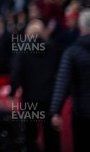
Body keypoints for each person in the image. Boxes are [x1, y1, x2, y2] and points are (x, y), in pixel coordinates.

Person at [9, 19, 61, 152]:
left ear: (28, 34)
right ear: (43, 32)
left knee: (30, 135)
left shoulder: (22, 50)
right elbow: (59, 73)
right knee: (51, 134)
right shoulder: (53, 48)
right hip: (49, 98)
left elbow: (16, 72)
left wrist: (12, 92)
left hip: (30, 99)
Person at [50, 8, 90, 152]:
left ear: (81, 26)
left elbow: (62, 82)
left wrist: (55, 111)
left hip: (82, 113)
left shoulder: (72, 51)